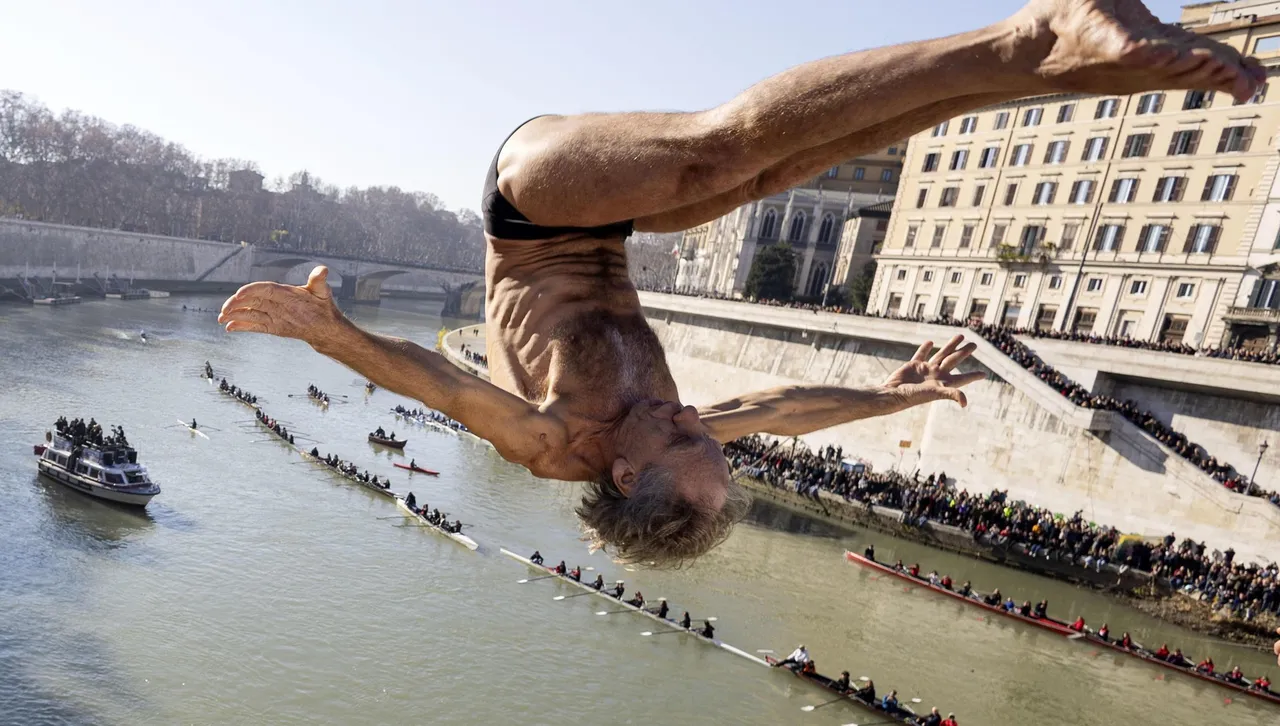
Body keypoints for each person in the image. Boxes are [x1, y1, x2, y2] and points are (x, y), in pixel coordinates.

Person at [221, 0, 1262, 568]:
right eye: (703, 439)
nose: (693, 419)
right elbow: (781, 409)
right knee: (766, 174)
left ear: (623, 474)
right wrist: (897, 394)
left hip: (530, 202)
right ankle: (1038, 65)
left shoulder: (549, 443)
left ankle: (1036, 36)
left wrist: (331, 333)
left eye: (682, 438)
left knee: (718, 156)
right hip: (614, 221)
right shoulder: (666, 434)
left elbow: (432, 384)